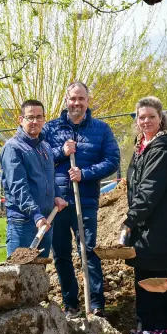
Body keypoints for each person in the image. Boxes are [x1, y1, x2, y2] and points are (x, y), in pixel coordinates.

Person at [41, 81, 120, 317]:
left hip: (85, 200)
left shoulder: (101, 129)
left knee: (88, 251)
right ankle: (71, 304)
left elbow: (112, 160)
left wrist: (85, 173)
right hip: (58, 202)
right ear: (66, 100)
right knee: (62, 254)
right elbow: (40, 159)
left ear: (87, 101)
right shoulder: (51, 129)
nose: (77, 103)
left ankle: (96, 304)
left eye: (81, 99)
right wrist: (61, 153)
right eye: (73, 99)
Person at [121, 98, 167, 334]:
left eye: (151, 116)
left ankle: (166, 325)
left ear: (161, 118)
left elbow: (151, 188)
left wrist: (130, 219)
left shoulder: (163, 149)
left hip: (166, 224)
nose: (146, 121)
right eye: (141, 117)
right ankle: (145, 324)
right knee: (143, 272)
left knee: (162, 274)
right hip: (146, 222)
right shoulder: (142, 145)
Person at [1, 100, 67, 256]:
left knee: (38, 276)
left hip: (45, 221)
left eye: (39, 117)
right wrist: (35, 214)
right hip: (23, 223)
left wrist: (57, 195)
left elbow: (50, 177)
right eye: (30, 117)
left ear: (44, 119)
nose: (35, 121)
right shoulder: (13, 148)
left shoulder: (45, 147)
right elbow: (18, 187)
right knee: (19, 275)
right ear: (21, 119)